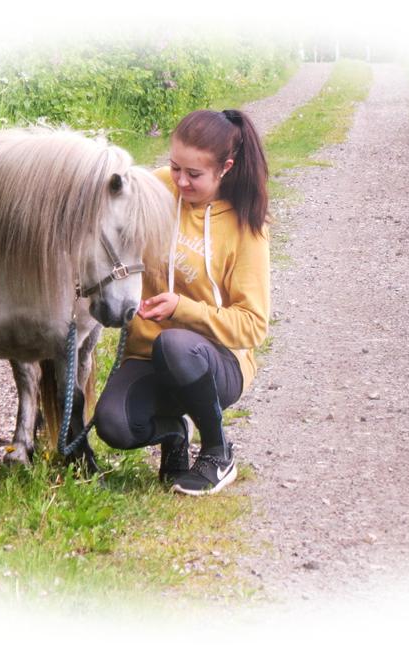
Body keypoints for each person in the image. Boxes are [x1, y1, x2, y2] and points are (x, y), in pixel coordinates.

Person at [95, 108, 271, 496]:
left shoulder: (246, 227)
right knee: (113, 425)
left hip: (214, 363)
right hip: (147, 355)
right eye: (175, 167)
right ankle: (174, 431)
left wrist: (182, 309)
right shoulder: (157, 188)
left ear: (225, 167)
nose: (180, 181)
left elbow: (253, 325)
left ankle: (216, 451)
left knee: (174, 343)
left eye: (194, 174)